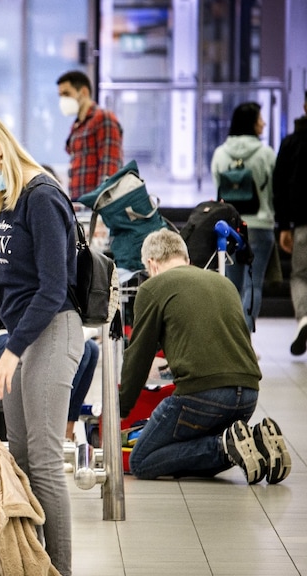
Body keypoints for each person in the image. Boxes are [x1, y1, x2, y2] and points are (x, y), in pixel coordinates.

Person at [0, 109, 82, 576]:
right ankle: (34, 563)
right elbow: (8, 287)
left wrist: (11, 350)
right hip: (24, 335)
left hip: (52, 331)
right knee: (22, 458)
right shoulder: (5, 201)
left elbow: (51, 289)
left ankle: (61, 569)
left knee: (44, 462)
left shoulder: (41, 197)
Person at [119, 229, 291, 485]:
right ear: (185, 258)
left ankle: (223, 446)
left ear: (152, 264)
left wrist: (120, 409)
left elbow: (138, 358)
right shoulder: (224, 283)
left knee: (142, 460)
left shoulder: (153, 287)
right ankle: (255, 440)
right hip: (248, 395)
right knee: (197, 452)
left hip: (201, 397)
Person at [210, 101, 277, 332]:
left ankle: (231, 339)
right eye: (260, 118)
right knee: (253, 284)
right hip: (259, 225)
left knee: (230, 285)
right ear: (251, 122)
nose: (264, 122)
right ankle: (245, 339)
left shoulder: (220, 153)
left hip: (229, 226)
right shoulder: (266, 153)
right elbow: (273, 190)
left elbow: (217, 186)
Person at [273, 92, 307, 355]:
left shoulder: (292, 142)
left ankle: (304, 317)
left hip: (302, 223)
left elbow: (280, 185)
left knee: (299, 275)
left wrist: (284, 224)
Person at [56, 70, 123, 200]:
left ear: (84, 92)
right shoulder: (78, 125)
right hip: (81, 203)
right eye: (60, 95)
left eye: (66, 94)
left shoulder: (103, 118)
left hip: (96, 205)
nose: (63, 99)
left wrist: (102, 208)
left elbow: (110, 166)